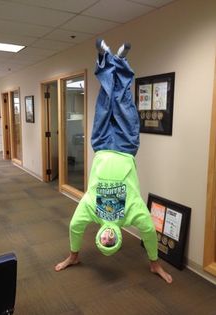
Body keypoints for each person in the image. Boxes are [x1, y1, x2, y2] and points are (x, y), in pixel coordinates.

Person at [55, 39, 172, 284]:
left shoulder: (91, 211)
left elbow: (76, 226)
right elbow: (149, 232)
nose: (108, 236)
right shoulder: (131, 214)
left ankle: (105, 60)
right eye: (112, 240)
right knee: (123, 103)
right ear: (117, 236)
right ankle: (120, 62)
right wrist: (154, 263)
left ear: (99, 236)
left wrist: (73, 255)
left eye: (104, 240)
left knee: (105, 103)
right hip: (126, 147)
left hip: (100, 145)